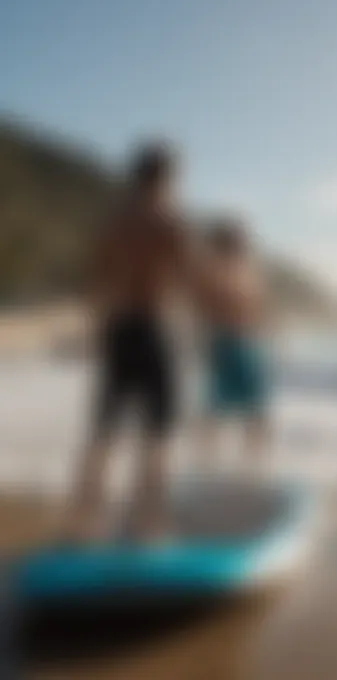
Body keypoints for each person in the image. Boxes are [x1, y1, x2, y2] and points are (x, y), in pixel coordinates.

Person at [64, 142, 189, 541]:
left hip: (118, 329)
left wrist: (96, 334)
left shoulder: (114, 223)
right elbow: (186, 278)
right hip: (152, 326)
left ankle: (82, 521)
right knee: (157, 432)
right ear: (168, 177)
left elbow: (94, 284)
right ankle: (147, 524)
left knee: (104, 430)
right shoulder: (169, 220)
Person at [193, 220, 272, 474]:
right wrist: (206, 344)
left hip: (247, 344)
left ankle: (252, 467)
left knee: (253, 410)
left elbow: (260, 310)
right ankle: (209, 465)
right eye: (238, 240)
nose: (244, 244)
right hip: (227, 344)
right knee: (220, 411)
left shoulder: (248, 272)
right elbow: (203, 313)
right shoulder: (215, 272)